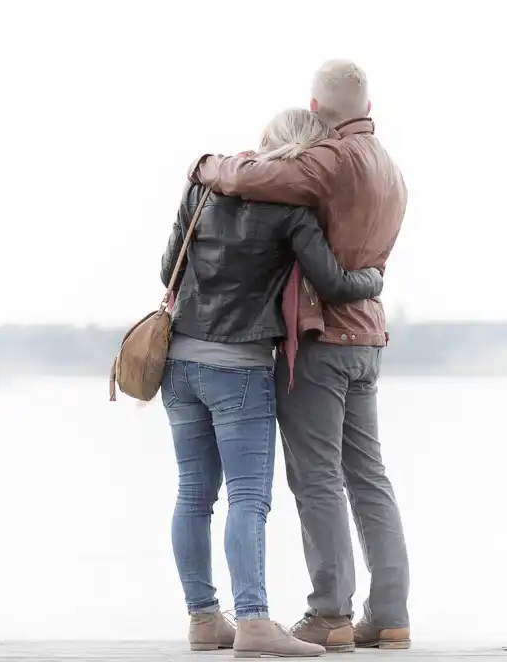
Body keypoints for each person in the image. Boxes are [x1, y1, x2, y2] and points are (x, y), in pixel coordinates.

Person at [189, 59, 411, 652]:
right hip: (367, 338)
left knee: (316, 480)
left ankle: (331, 614)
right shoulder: (391, 169)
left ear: (315, 111)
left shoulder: (331, 161)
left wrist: (204, 164)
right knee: (369, 479)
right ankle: (390, 615)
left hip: (322, 340)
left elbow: (249, 180)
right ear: (368, 105)